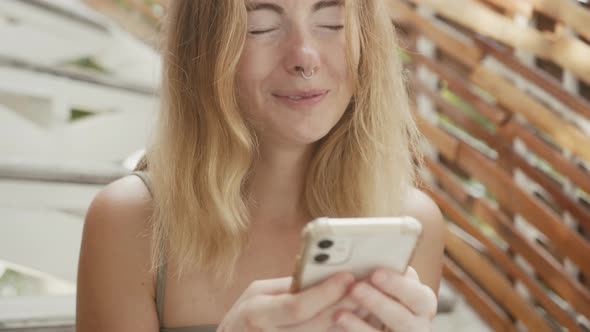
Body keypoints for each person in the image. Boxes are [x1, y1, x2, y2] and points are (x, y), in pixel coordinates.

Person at [75, 0, 445, 331]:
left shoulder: (409, 222)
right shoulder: (130, 222)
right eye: (262, 27)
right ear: (204, 48)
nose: (305, 56)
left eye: (332, 22)